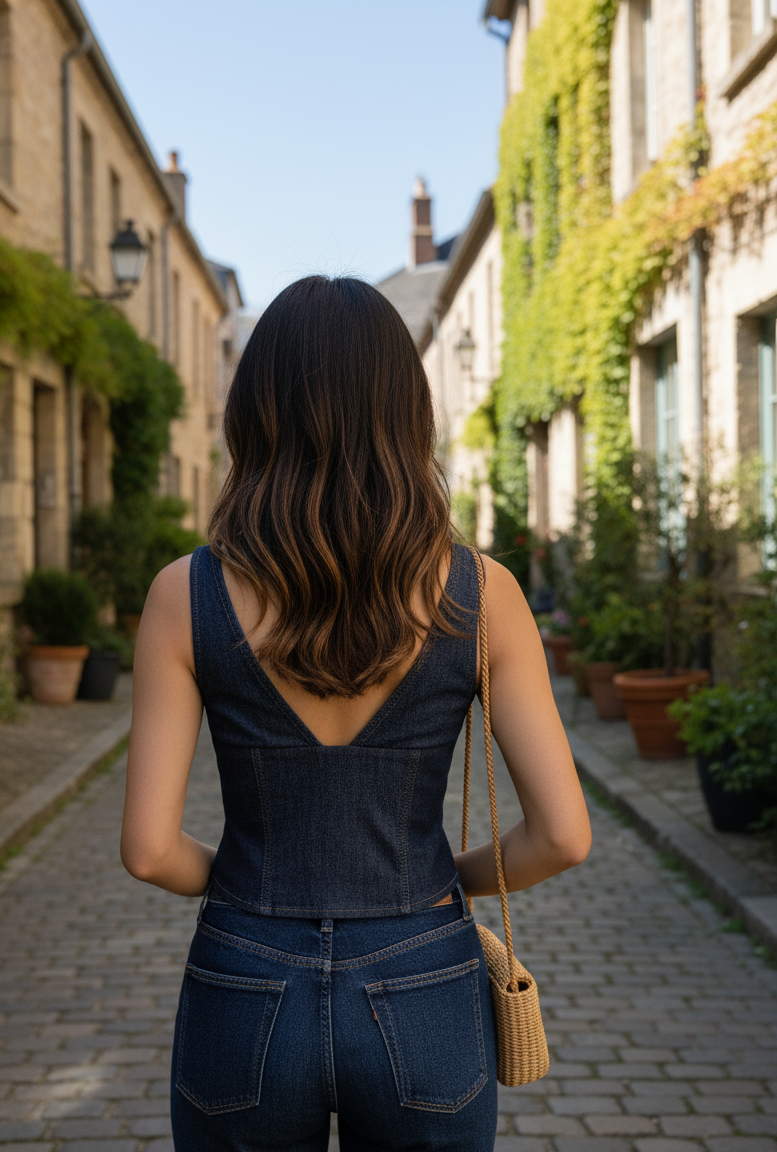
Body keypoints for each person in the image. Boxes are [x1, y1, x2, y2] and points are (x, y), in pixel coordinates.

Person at [121, 275, 591, 1152]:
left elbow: (149, 850)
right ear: (407, 412)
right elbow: (562, 835)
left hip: (244, 978)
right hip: (425, 974)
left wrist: (251, 886)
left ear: (253, 412)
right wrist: (439, 879)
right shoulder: (485, 595)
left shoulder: (183, 596)